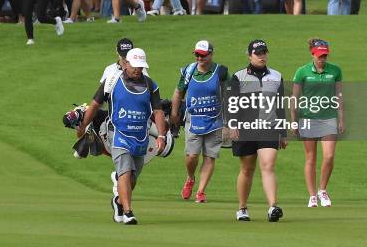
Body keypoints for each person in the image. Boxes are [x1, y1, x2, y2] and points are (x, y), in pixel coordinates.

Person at [77, 48, 167, 225]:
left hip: (141, 137)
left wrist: (162, 136)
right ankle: (128, 212)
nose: (138, 70)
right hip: (118, 134)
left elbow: (157, 112)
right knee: (125, 171)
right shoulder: (111, 81)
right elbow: (94, 106)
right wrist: (82, 126)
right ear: (126, 64)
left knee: (132, 178)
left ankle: (118, 202)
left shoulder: (150, 85)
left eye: (141, 67)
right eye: (135, 66)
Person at [229, 39, 285, 222]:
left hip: (268, 128)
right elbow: (231, 104)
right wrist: (232, 124)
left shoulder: (276, 76)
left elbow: (281, 106)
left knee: (268, 165)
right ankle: (242, 208)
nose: (262, 56)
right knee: (247, 169)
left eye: (264, 52)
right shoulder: (239, 76)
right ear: (250, 55)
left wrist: (283, 132)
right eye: (258, 53)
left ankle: (272, 207)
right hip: (246, 128)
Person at [171, 40, 228, 203]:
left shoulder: (221, 72)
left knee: (210, 156)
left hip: (215, 120)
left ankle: (201, 191)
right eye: (197, 54)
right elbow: (178, 92)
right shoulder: (188, 71)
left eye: (203, 55)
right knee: (191, 155)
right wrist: (174, 113)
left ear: (211, 54)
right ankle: (190, 178)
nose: (199, 58)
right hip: (193, 120)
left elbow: (230, 96)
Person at [290, 38, 344, 208]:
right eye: (320, 56)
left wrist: (342, 118)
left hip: (329, 117)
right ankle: (312, 195)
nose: (323, 59)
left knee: (329, 156)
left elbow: (339, 96)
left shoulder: (335, 71)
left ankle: (322, 190)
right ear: (312, 54)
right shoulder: (302, 71)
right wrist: (293, 121)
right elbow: (294, 98)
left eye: (325, 56)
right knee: (310, 158)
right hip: (308, 118)